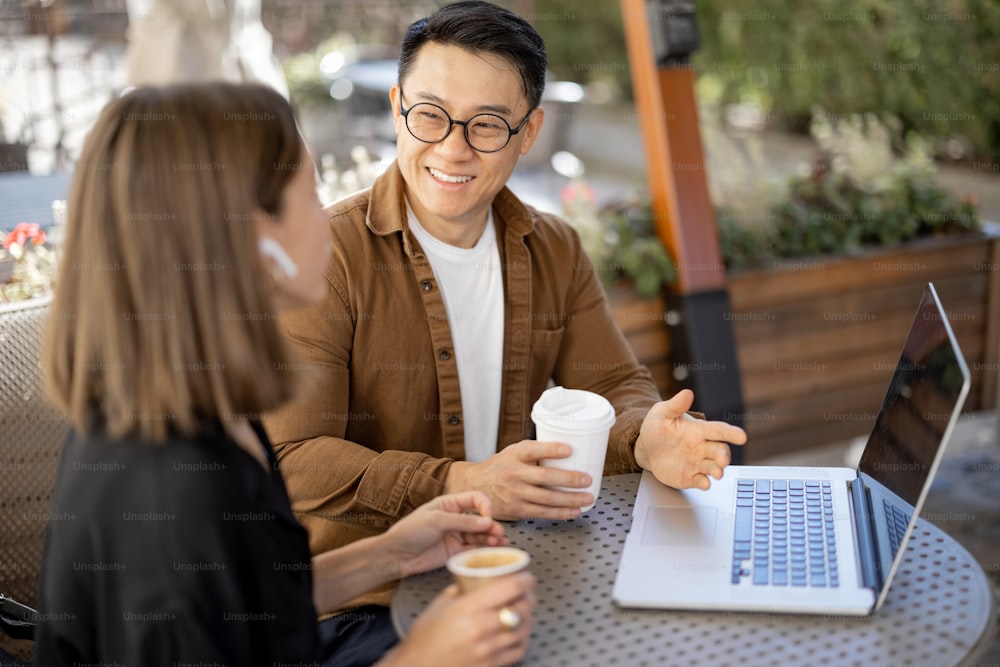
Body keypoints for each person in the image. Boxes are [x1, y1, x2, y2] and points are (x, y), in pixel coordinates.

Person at [264, 0, 747, 653]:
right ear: (398, 105)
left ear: (529, 132)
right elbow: (290, 459)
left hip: (523, 563)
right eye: (431, 115)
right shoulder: (324, 254)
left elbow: (613, 384)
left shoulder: (553, 247)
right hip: (362, 602)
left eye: (487, 124)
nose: (452, 148)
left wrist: (644, 438)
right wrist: (460, 481)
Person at [35, 81, 535, 667]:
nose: (326, 218)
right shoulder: (171, 493)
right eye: (308, 195)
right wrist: (421, 658)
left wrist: (389, 554)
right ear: (251, 236)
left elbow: (249, 608)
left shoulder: (213, 412)